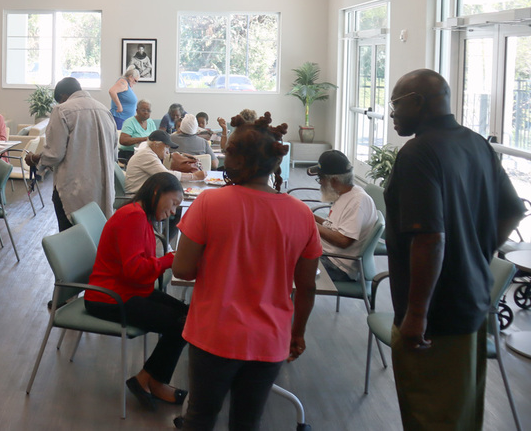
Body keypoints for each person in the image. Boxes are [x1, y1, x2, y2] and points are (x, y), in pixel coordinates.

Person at [384, 69, 523, 430]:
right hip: (471, 304)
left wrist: (416, 314)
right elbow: (514, 209)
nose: (392, 114)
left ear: (417, 101)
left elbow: (429, 237)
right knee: (461, 413)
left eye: (395, 105)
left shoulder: (418, 153)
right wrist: (477, 252)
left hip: (435, 317)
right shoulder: (476, 143)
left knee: (430, 415)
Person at [172, 112, 320, 430]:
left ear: (235, 159)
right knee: (248, 422)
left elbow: (182, 270)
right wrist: (298, 333)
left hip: (213, 334)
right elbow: (307, 287)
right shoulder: (302, 214)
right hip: (270, 338)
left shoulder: (210, 204)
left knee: (199, 416)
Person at [85, 172, 189, 410]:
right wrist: (170, 260)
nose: (174, 212)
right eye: (173, 204)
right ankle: (152, 381)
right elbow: (134, 270)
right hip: (108, 297)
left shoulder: (140, 215)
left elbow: (137, 270)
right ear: (156, 193)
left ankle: (148, 379)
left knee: (187, 316)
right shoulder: (133, 217)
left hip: (128, 290)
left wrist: (167, 260)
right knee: (184, 323)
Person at [26, 77, 118, 231]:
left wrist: (36, 160)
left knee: (73, 238)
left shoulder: (62, 110)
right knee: (97, 237)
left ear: (62, 96)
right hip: (103, 189)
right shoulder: (104, 110)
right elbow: (114, 154)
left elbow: (54, 154)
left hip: (74, 188)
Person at [308, 150, 378, 283]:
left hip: (337, 265)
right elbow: (332, 227)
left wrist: (310, 223)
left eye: (320, 179)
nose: (320, 183)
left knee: (287, 263)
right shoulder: (344, 194)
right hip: (327, 254)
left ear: (333, 180)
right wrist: (307, 214)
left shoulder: (358, 202)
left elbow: (343, 241)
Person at [125, 130, 205, 194]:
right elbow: (166, 176)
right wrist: (194, 176)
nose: (168, 152)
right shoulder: (147, 156)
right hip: (136, 197)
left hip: (143, 193)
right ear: (156, 144)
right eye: (166, 147)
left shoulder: (148, 153)